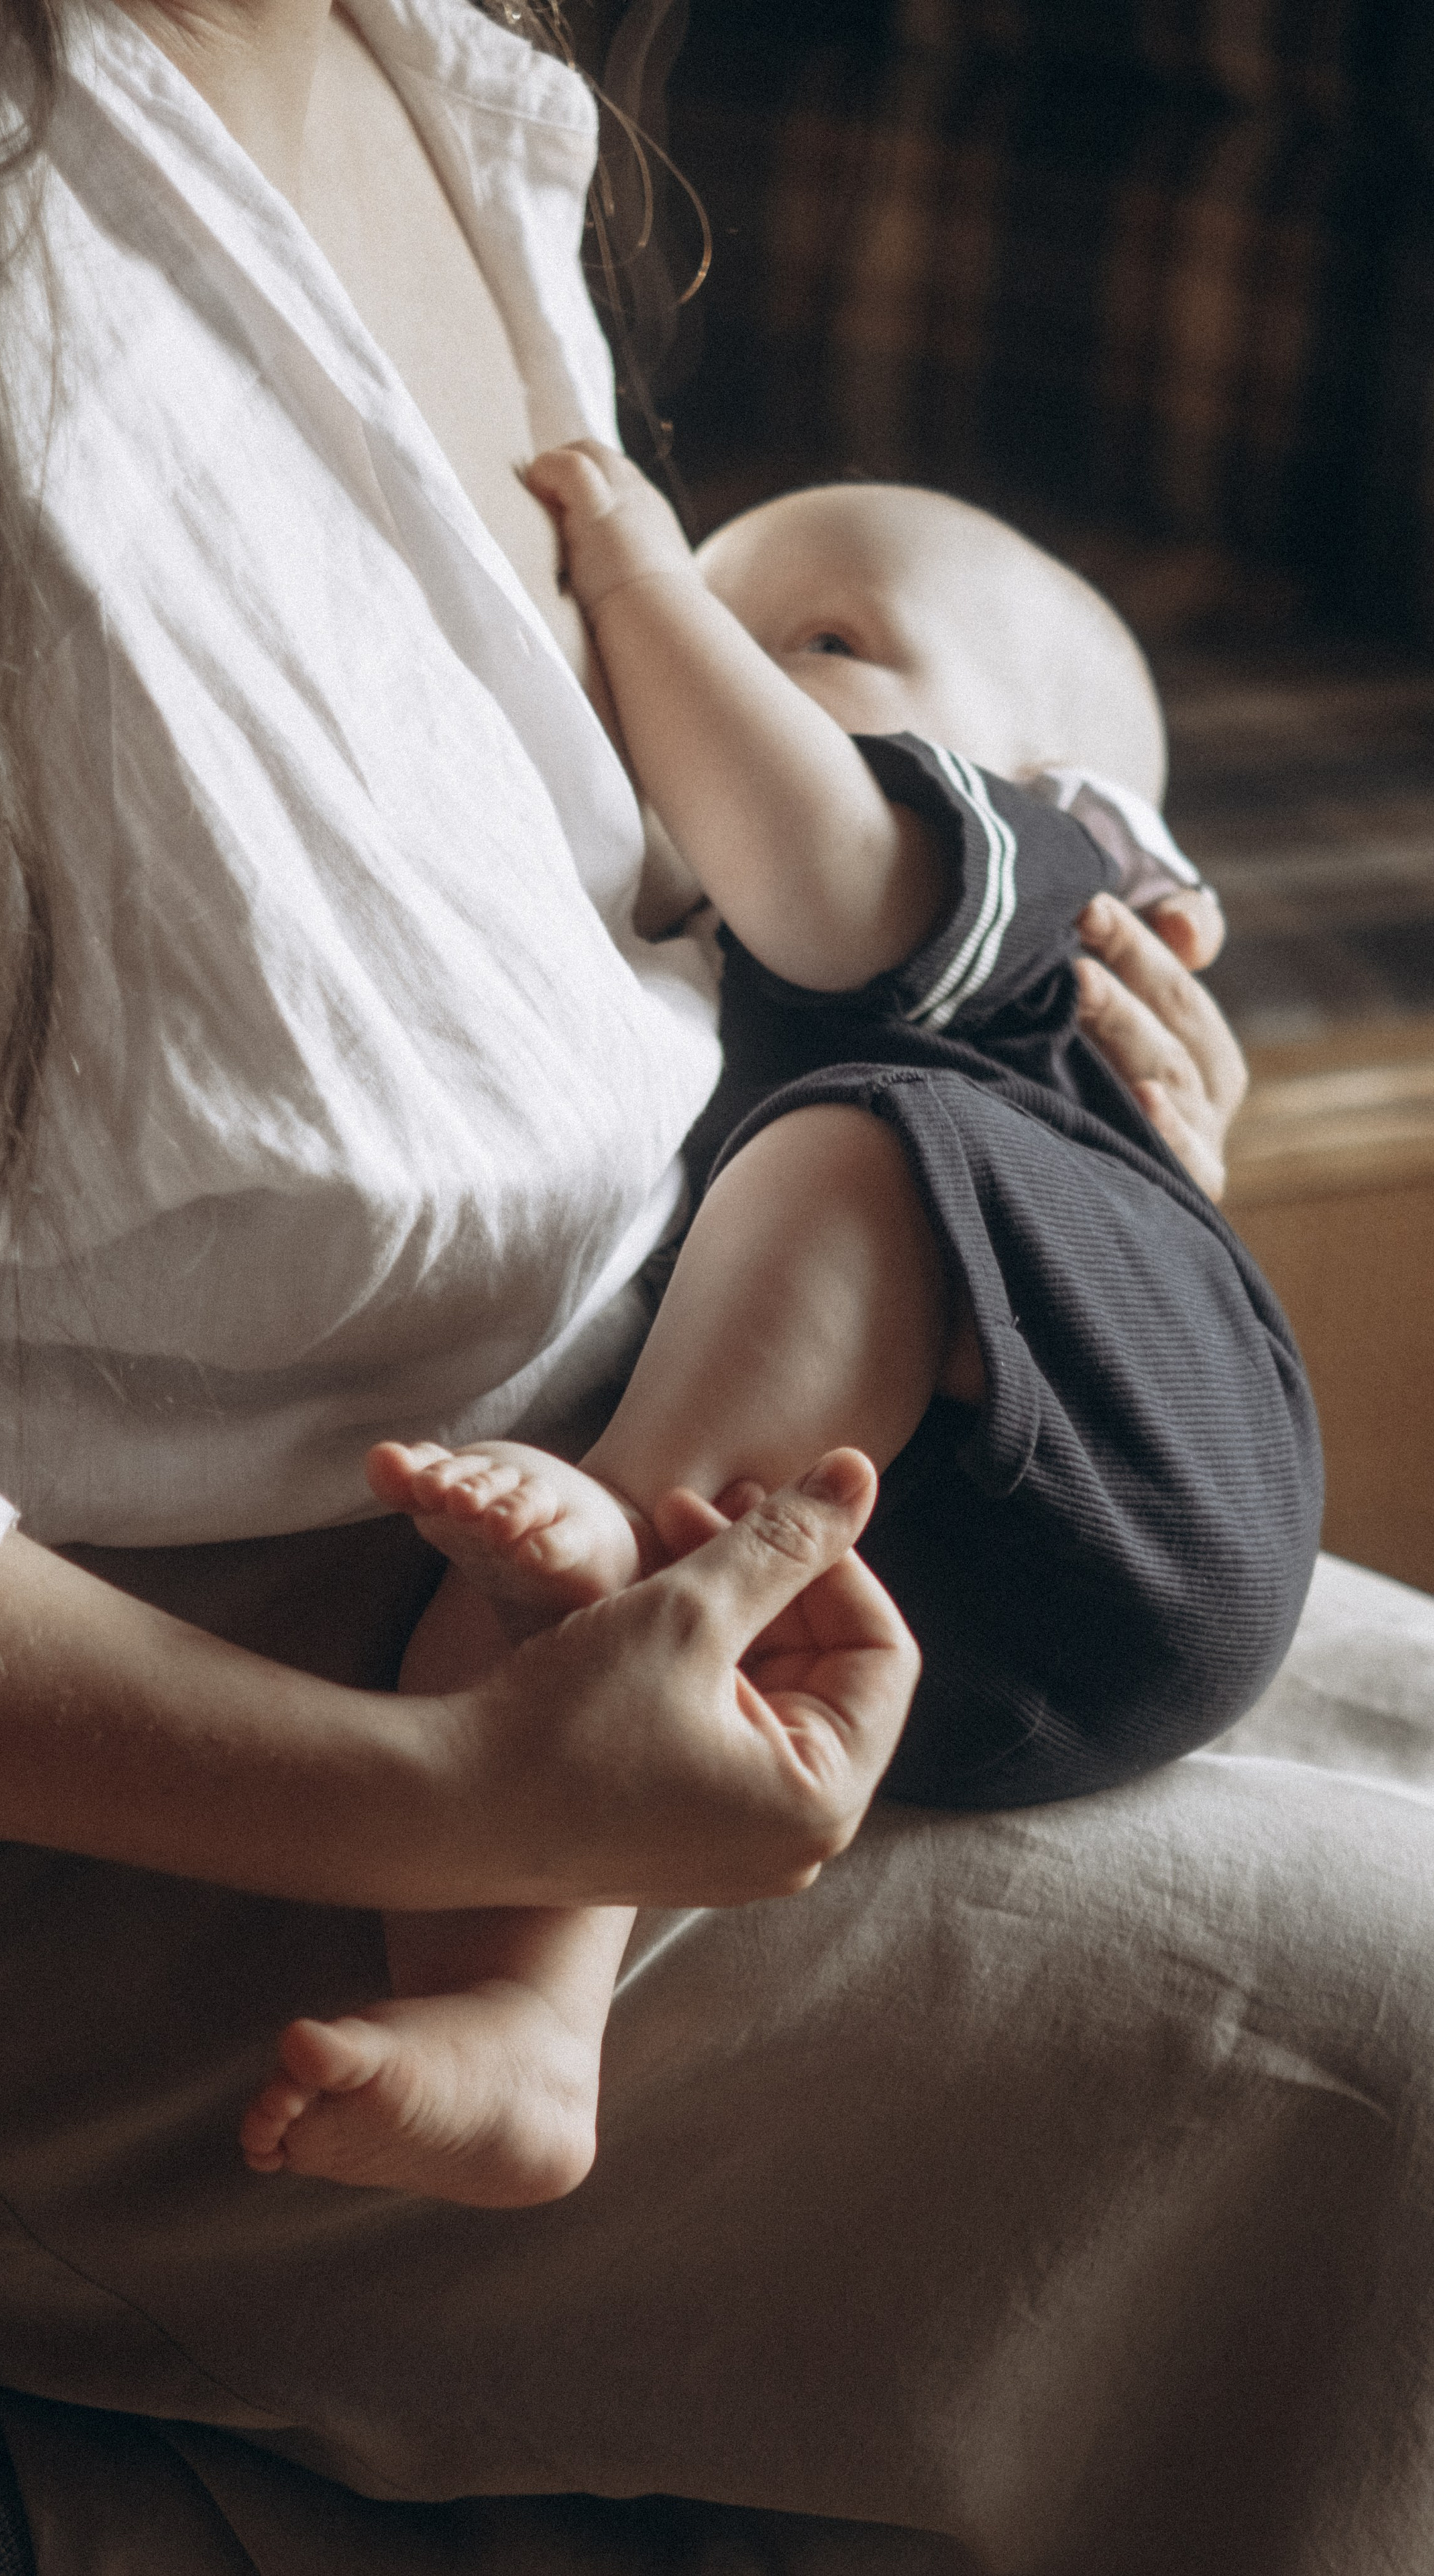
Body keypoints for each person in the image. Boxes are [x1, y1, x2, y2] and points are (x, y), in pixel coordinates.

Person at [0, 3, 1310, 2569]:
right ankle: (521, 1981)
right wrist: (451, 1796)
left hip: (686, 1496)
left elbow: (643, 937)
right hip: (66, 1781)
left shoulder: (442, 85)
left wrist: (1100, 1165)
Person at [238, 457, 1320, 2208]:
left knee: (846, 1163)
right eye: (720, 629)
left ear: (1101, 817)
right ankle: (519, 2018)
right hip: (902, 1598)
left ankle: (637, 1518)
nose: (721, 668)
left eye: (821, 635)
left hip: (1158, 1470)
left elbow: (820, 861)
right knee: (534, 1592)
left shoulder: (1036, 866)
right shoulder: (682, 969)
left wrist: (635, 570)